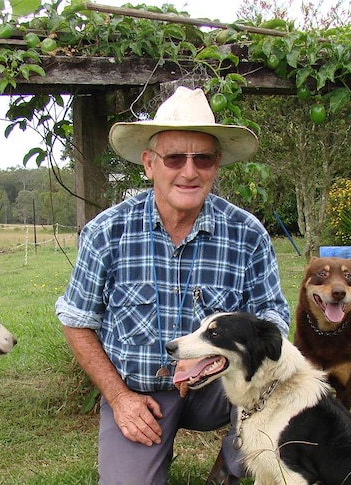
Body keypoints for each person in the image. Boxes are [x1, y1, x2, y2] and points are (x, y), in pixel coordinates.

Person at [55, 86, 290, 485]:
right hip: (140, 392)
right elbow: (77, 320)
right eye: (175, 158)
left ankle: (236, 467)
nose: (189, 171)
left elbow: (273, 315)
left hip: (222, 385)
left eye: (203, 158)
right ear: (149, 164)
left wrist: (216, 360)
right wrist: (119, 398)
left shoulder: (247, 233)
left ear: (217, 165)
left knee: (287, 379)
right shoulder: (106, 232)